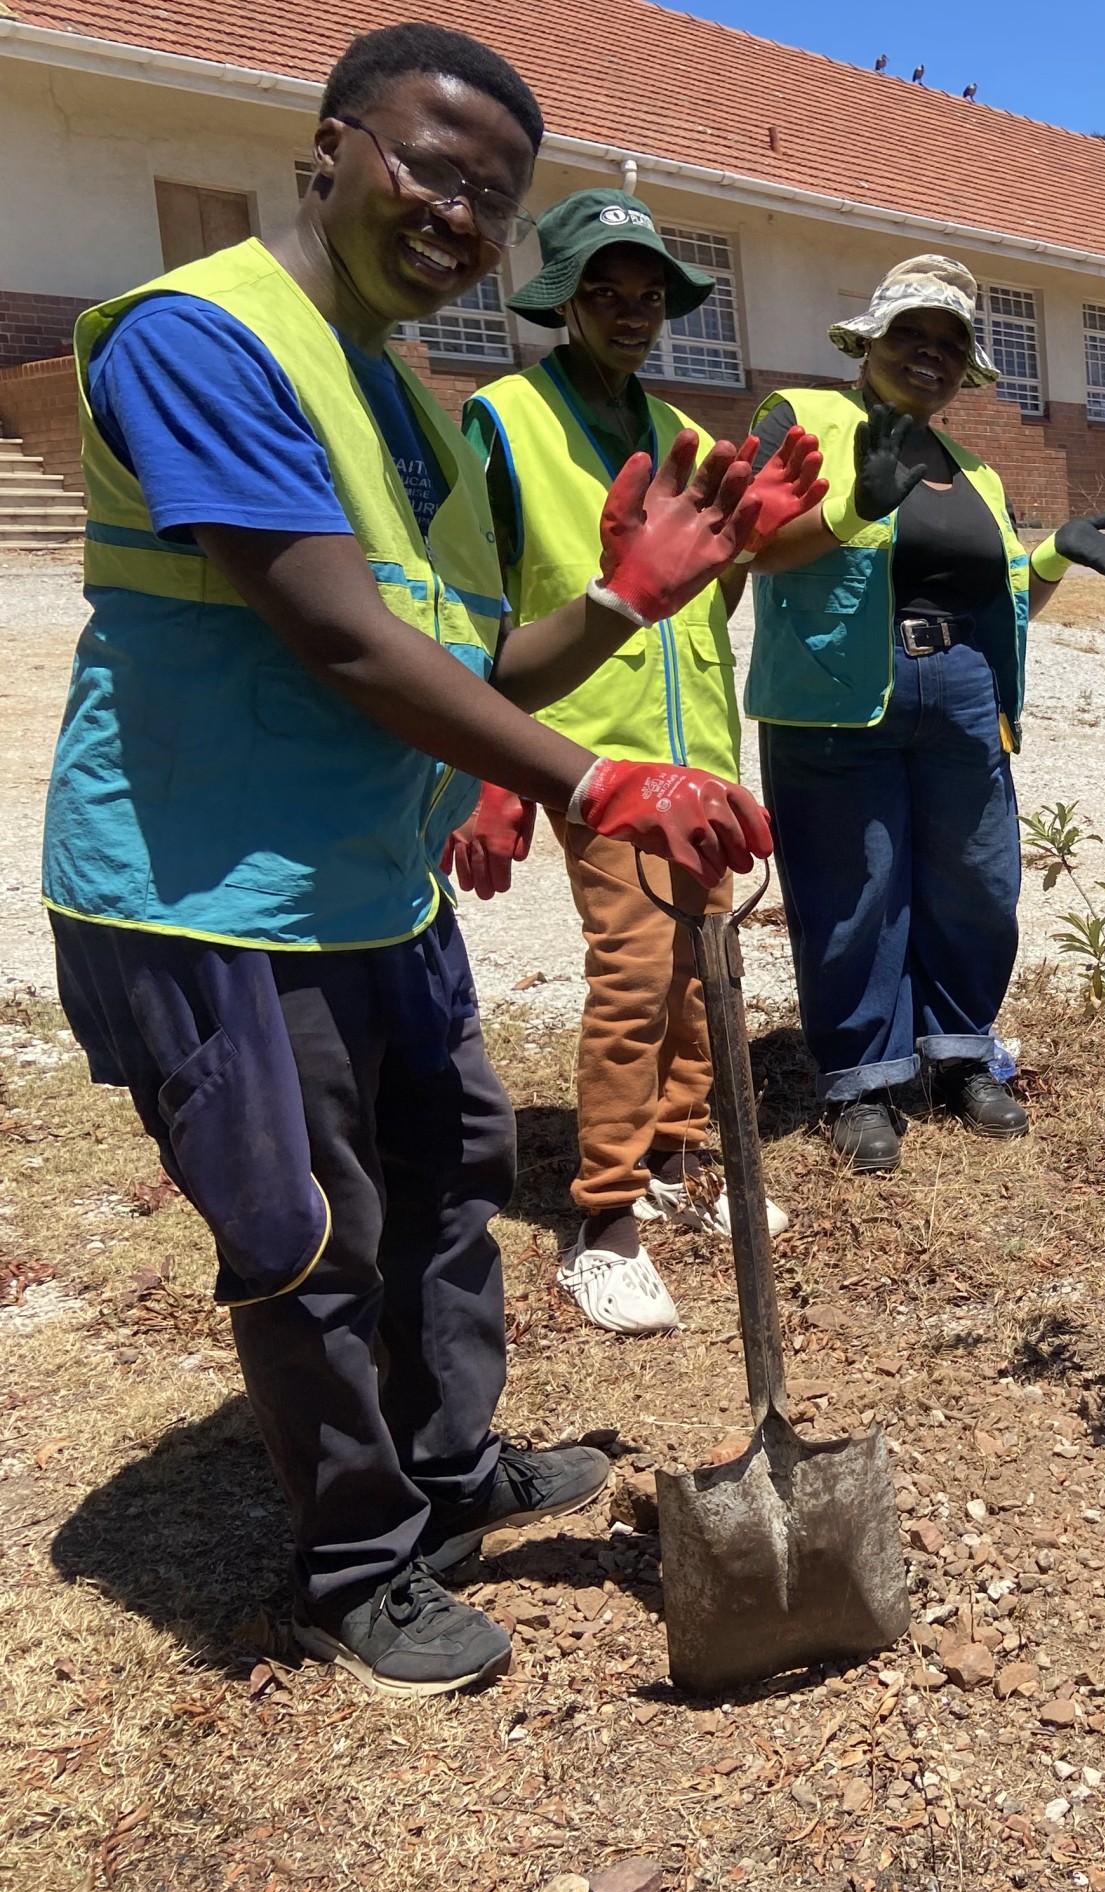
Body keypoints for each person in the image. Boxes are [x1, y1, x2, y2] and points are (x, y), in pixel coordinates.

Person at [42, 25, 821, 1695]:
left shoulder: (414, 400)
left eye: (494, 195)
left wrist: (620, 606)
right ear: (330, 146)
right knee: (311, 1235)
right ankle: (356, 1561)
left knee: (450, 1184)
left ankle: (450, 1468)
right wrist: (593, 781)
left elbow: (457, 669)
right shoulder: (203, 340)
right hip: (208, 890)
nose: (460, 214)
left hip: (366, 881)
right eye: (434, 166)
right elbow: (332, 634)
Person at [452, 187, 785, 1336]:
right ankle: (602, 1222)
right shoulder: (501, 422)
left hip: (699, 744)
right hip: (592, 754)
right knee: (637, 978)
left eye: (651, 296)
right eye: (608, 292)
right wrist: (495, 781)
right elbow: (476, 620)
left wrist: (747, 546)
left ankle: (676, 1164)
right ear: (562, 301)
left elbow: (702, 599)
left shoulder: (678, 436)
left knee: (706, 975)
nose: (634, 312)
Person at [745, 256, 1105, 1173]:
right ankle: (861, 1076)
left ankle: (960, 1053)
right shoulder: (804, 420)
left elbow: (1004, 602)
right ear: (870, 341)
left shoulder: (974, 470)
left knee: (974, 880)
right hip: (836, 695)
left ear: (967, 367)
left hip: (966, 690)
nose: (928, 356)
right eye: (911, 337)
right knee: (854, 890)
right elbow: (751, 547)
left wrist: (1053, 554)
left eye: (949, 344)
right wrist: (856, 502)